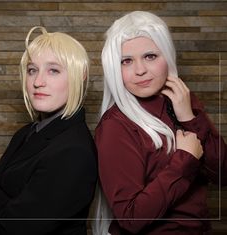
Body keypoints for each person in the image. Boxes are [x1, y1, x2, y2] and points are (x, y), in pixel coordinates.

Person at [93, 11, 227, 235]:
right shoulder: (115, 126)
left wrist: (190, 119)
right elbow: (131, 217)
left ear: (168, 56)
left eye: (150, 56)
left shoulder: (183, 101)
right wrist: (185, 160)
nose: (140, 70)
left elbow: (223, 173)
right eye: (127, 61)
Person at [0, 26, 98, 235]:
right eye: (32, 70)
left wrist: (7, 210)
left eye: (53, 70)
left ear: (79, 76)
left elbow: (12, 228)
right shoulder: (27, 132)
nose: (38, 82)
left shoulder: (73, 152)